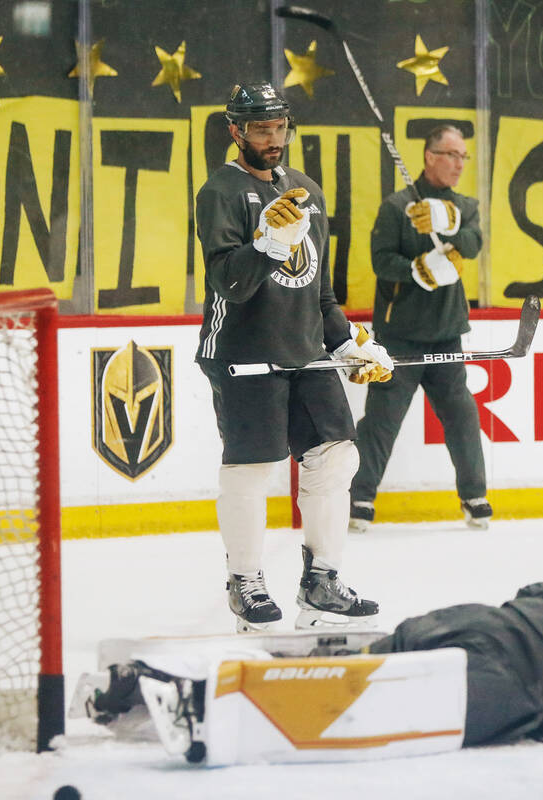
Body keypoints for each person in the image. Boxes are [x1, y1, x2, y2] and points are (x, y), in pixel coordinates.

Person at [81, 500, 543, 763]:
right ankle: (193, 698)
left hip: (478, 624)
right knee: (347, 708)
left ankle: (134, 685)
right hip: (513, 684)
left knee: (359, 673)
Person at [194, 82, 394, 632]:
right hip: (242, 353)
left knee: (336, 457)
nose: (273, 138)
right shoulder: (220, 192)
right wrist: (266, 244)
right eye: (261, 128)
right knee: (252, 468)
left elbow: (318, 293)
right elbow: (230, 284)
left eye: (280, 127)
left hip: (304, 351)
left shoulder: (307, 190)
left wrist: (350, 343)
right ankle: (246, 581)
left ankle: (322, 581)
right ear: (236, 131)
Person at [350, 124, 490, 533]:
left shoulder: (465, 204)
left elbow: (474, 241)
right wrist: (416, 269)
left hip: (447, 331)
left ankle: (474, 494)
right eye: (452, 155)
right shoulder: (397, 207)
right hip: (400, 336)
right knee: (382, 420)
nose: (460, 164)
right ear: (430, 157)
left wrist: (447, 223)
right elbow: (380, 262)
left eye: (464, 156)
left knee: (462, 416)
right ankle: (360, 498)